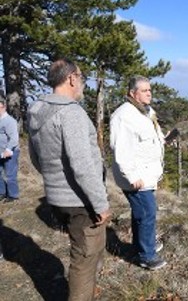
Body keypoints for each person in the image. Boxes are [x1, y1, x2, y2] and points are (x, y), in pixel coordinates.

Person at [27, 58, 111, 301]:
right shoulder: (70, 112)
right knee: (83, 261)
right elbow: (82, 165)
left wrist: (53, 181)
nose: (83, 84)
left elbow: (35, 156)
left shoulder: (36, 109)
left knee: (83, 253)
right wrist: (100, 203)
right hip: (80, 201)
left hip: (57, 197)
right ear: (71, 78)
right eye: (82, 78)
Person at [110, 75, 167, 270]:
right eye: (145, 90)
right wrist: (132, 177)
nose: (149, 93)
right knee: (147, 212)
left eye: (150, 90)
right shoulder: (123, 116)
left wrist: (164, 140)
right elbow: (121, 150)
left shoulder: (145, 111)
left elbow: (150, 137)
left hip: (147, 174)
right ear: (133, 93)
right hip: (136, 177)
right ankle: (146, 255)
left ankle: (141, 245)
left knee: (140, 213)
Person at [0, 95, 20, 202]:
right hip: (1, 152)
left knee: (10, 174)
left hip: (10, 152)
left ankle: (13, 195)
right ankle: (2, 193)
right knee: (0, 173)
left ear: (4, 107)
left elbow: (14, 138)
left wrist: (8, 150)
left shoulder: (9, 121)